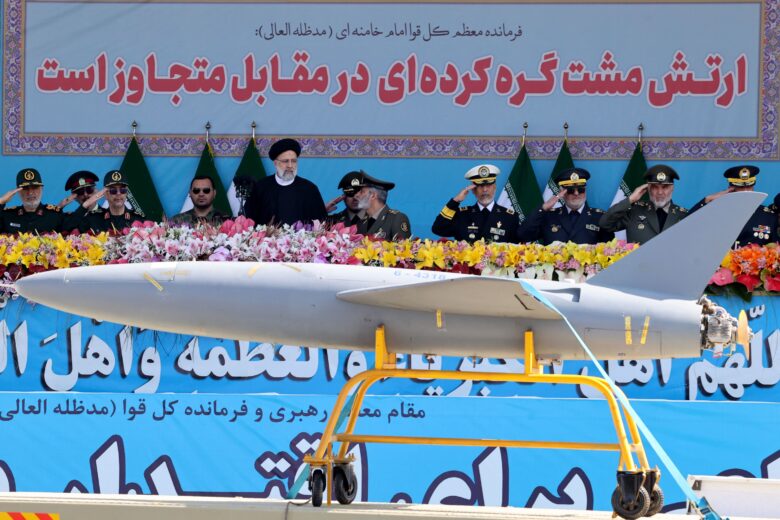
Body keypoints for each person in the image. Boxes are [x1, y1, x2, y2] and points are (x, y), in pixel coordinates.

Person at [518, 167, 614, 245]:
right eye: (571, 190)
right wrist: (543, 209)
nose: (576, 193)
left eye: (580, 190)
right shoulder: (549, 216)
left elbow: (610, 249)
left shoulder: (599, 217)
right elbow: (523, 235)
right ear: (562, 193)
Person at [244, 138, 327, 226]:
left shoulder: (309, 189)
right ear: (275, 163)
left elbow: (320, 222)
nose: (290, 165)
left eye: (293, 161)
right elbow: (249, 221)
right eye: (285, 161)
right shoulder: (260, 187)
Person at [599, 164, 688, 244]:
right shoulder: (634, 211)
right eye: (655, 187)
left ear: (672, 188)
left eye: (665, 187)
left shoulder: (683, 215)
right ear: (648, 188)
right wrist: (630, 199)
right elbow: (605, 224)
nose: (660, 192)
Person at [690, 165, 777, 246]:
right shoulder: (716, 211)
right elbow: (689, 226)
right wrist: (707, 199)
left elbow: (775, 249)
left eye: (749, 187)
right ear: (731, 188)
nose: (746, 191)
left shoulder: (768, 215)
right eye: (741, 187)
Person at [431, 164, 518, 243]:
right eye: (480, 186)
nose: (485, 190)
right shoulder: (462, 215)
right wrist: (455, 201)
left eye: (488, 185)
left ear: (494, 187)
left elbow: (516, 247)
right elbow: (438, 228)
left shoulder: (509, 217)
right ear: (473, 190)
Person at [72, 170, 142, 233]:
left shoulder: (138, 219)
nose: (118, 193)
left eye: (122, 190)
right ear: (105, 194)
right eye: (113, 190)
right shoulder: (93, 219)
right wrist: (85, 205)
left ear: (126, 193)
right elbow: (69, 228)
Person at [0, 168, 63, 234]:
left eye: (35, 187)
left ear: (41, 188)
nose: (30, 193)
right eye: (25, 188)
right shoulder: (7, 215)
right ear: (18, 191)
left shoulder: (55, 215)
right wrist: (1, 201)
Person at [354, 173, 411, 240]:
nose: (357, 195)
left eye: (362, 192)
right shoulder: (360, 222)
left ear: (373, 195)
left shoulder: (396, 219)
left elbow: (403, 246)